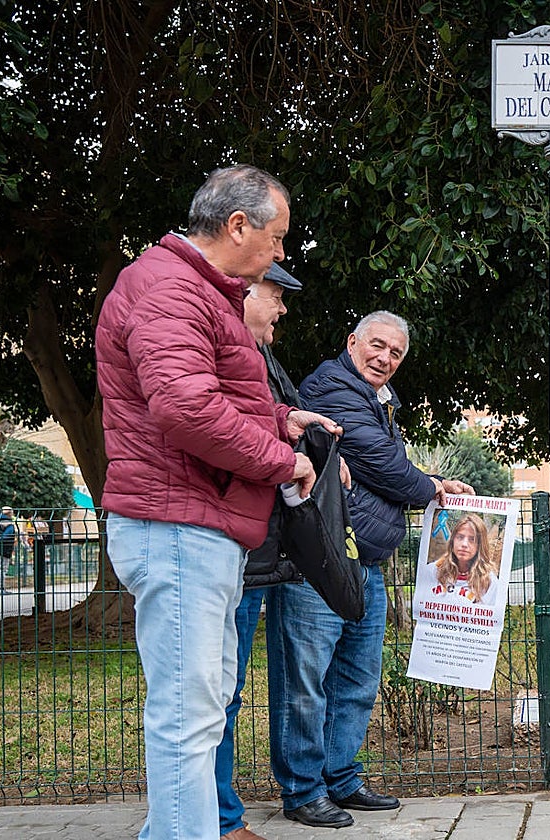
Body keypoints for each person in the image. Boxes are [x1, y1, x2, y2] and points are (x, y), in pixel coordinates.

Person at [95, 165, 340, 840]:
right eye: (279, 236)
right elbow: (186, 409)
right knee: (188, 712)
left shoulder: (190, 289)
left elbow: (210, 395)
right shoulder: (171, 289)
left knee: (200, 709)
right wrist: (279, 458)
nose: (281, 254)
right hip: (177, 524)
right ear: (238, 226)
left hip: (198, 524)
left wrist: (278, 417)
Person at [267, 310, 475, 828]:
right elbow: (380, 461)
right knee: (305, 681)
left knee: (356, 679)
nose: (385, 357)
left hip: (365, 561)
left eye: (396, 353)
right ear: (352, 342)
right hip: (320, 560)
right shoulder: (334, 387)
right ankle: (303, 790)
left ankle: (340, 778)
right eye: (377, 345)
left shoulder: (375, 400)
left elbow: (378, 465)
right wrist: (431, 487)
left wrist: (421, 479)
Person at [214, 261, 308, 840]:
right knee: (216, 693)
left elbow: (269, 421)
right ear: (244, 292)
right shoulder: (227, 353)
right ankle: (219, 820)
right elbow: (232, 433)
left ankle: (215, 815)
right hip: (234, 552)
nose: (281, 309)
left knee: (225, 689)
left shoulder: (262, 358)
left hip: (258, 552)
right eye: (274, 296)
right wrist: (289, 455)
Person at [430, 513, 501, 606]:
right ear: (452, 541)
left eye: (472, 539)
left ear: (480, 545)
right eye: (460, 537)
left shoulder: (489, 580)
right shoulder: (434, 571)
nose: (464, 544)